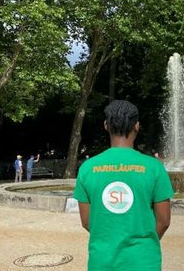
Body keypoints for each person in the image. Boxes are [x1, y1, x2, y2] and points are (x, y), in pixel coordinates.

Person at [73, 100, 174, 271]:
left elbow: (86, 221)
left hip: (102, 261)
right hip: (144, 261)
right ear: (137, 126)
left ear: (106, 125)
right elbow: (163, 221)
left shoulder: (87, 168)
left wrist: (111, 239)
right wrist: (143, 242)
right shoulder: (154, 167)